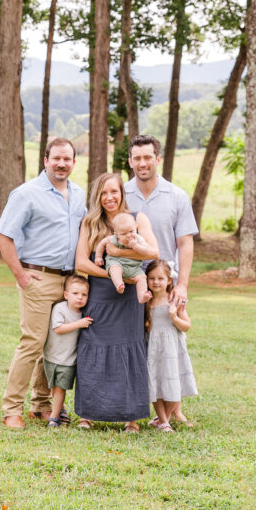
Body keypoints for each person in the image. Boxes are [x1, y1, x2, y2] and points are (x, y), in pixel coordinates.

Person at [0, 137, 87, 429]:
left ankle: (41, 405)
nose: (62, 164)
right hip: (37, 276)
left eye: (68, 159)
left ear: (74, 162)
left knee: (56, 343)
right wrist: (20, 275)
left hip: (69, 281)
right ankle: (12, 408)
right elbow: (3, 234)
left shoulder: (80, 194)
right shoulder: (27, 193)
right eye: (56, 158)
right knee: (32, 342)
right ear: (45, 160)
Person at [73, 172, 159, 432]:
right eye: (103, 193)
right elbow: (81, 263)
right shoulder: (90, 222)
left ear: (122, 193)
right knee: (93, 347)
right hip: (101, 295)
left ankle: (130, 417)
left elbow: (154, 251)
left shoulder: (137, 219)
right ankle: (87, 415)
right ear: (97, 196)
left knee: (129, 350)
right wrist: (112, 274)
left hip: (130, 297)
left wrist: (119, 255)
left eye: (114, 191)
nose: (109, 197)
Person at [123, 134, 199, 425]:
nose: (142, 163)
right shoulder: (123, 194)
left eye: (147, 157)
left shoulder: (176, 196)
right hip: (130, 284)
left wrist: (182, 285)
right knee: (136, 345)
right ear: (130, 161)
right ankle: (135, 409)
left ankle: (174, 409)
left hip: (164, 285)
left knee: (171, 346)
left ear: (157, 159)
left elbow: (185, 244)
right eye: (136, 158)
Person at [145, 259, 196, 432]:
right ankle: (164, 421)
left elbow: (187, 326)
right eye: (151, 278)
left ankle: (162, 419)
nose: (156, 282)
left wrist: (174, 317)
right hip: (154, 349)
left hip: (173, 348)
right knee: (155, 382)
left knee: (176, 382)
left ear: (168, 280)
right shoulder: (146, 301)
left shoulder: (174, 299)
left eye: (160, 278)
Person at [43, 275, 92, 428]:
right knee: (54, 387)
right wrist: (79, 324)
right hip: (51, 356)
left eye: (84, 294)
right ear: (66, 295)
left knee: (60, 389)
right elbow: (58, 329)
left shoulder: (84, 313)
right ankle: (59, 411)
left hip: (68, 360)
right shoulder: (60, 308)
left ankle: (54, 417)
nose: (80, 297)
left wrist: (81, 322)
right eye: (75, 293)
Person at [94, 212, 151, 303]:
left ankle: (141, 296)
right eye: (124, 234)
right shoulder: (112, 239)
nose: (129, 235)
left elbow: (147, 251)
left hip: (134, 267)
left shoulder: (138, 239)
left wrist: (136, 246)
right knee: (114, 269)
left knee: (142, 277)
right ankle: (119, 284)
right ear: (116, 234)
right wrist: (98, 257)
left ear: (135, 227)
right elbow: (101, 244)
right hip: (117, 262)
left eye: (131, 231)